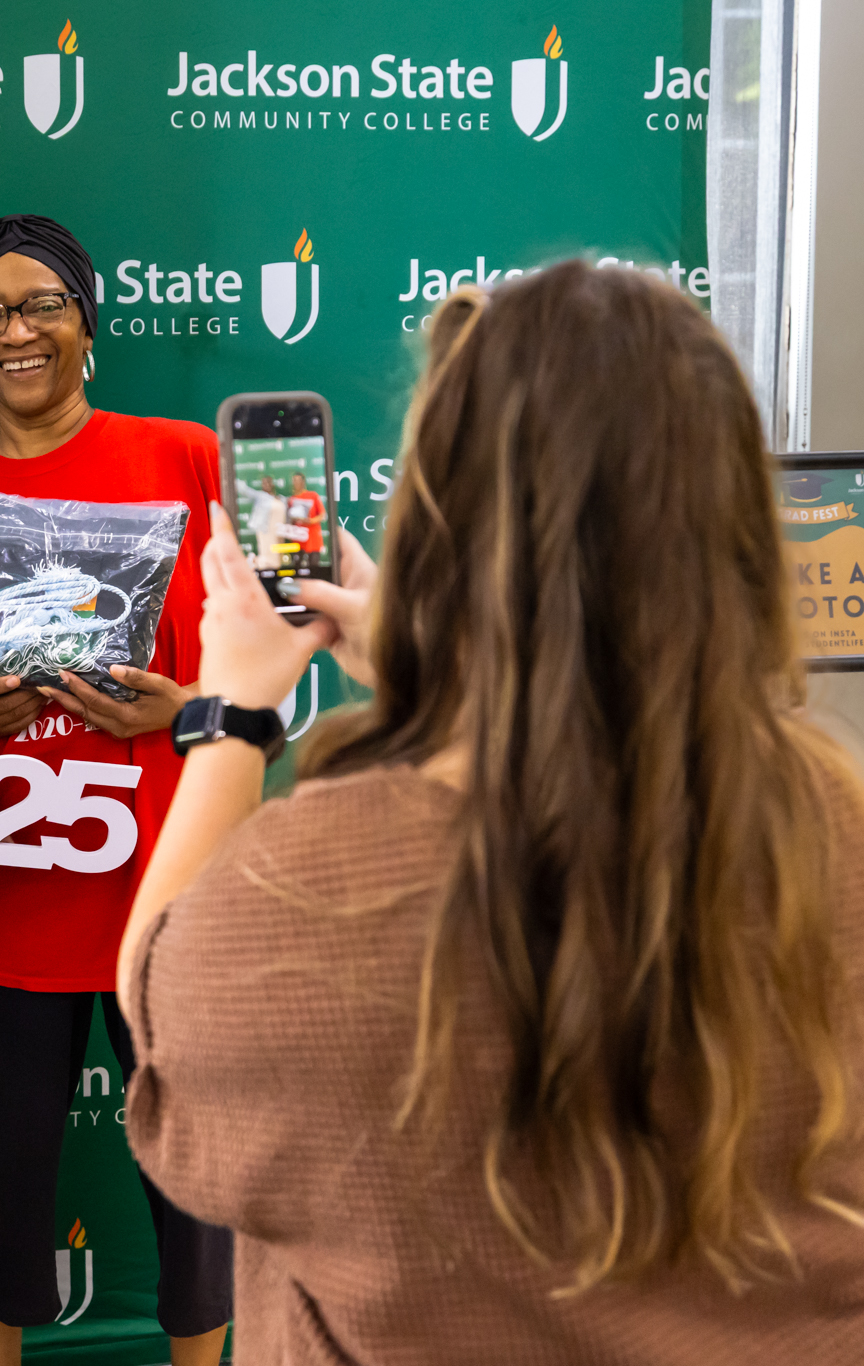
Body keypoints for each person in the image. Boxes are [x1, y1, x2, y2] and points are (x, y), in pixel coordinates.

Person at [120, 265, 864, 1362]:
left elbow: (156, 1019)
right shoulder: (832, 817)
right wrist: (452, 684)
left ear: (434, 523)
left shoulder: (308, 885)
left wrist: (230, 715)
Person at [0, 214, 233, 1366]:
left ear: (88, 321)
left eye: (40, 302)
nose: (15, 329)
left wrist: (178, 708)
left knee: (198, 1171)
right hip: (4, 899)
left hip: (169, 894)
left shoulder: (187, 457)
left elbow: (282, 652)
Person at [237, 475, 285, 571]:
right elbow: (244, 490)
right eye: (264, 483)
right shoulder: (260, 496)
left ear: (272, 484)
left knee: (277, 556)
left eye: (268, 482)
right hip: (264, 529)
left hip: (278, 531)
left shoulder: (280, 498)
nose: (266, 485)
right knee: (266, 552)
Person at [283, 472, 323, 573]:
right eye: (294, 481)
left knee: (314, 568)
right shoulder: (291, 500)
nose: (296, 483)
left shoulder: (313, 496)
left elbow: (322, 515)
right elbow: (289, 521)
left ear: (303, 482)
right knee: (297, 568)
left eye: (298, 481)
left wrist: (310, 521)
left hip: (313, 539)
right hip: (298, 540)